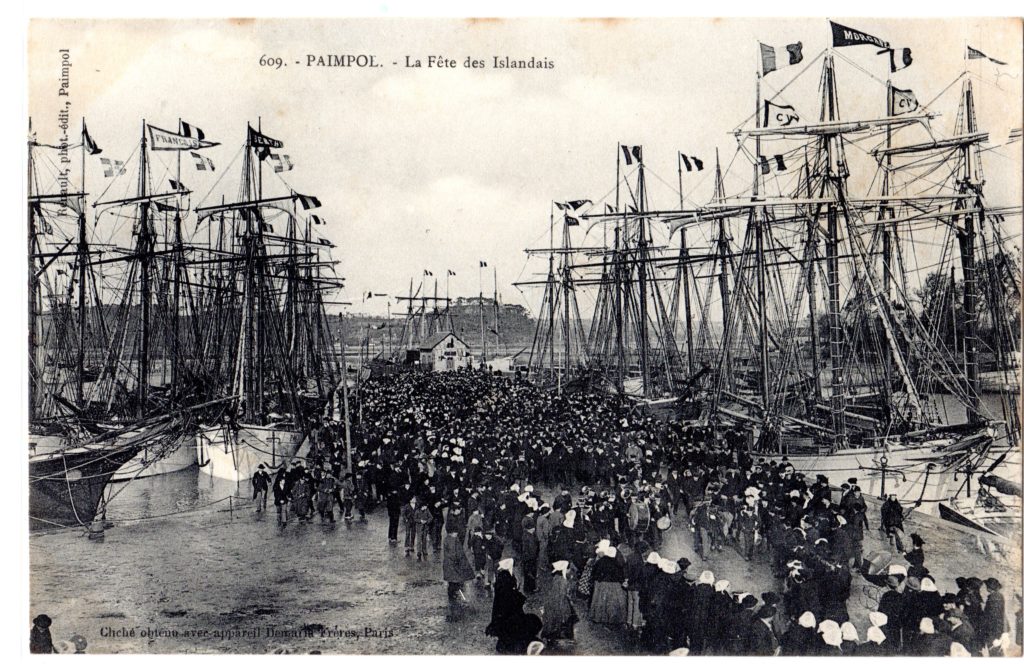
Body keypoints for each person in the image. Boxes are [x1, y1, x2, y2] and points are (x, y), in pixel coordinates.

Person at [541, 560, 578, 645]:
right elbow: (563, 594)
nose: (569, 571)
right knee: (565, 619)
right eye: (568, 569)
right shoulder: (562, 580)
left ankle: (552, 635)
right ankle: (563, 635)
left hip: (553, 601)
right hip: (561, 602)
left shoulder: (556, 577)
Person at [442, 530, 475, 622]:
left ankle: (454, 600)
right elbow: (455, 555)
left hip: (449, 567)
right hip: (454, 567)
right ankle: (456, 602)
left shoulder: (448, 539)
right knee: (455, 584)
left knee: (452, 584)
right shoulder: (453, 540)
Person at [589, 544, 626, 625]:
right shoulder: (616, 563)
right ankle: (612, 619)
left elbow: (594, 572)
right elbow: (620, 575)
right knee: (612, 603)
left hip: (601, 584)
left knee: (600, 602)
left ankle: (598, 618)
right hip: (614, 585)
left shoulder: (600, 561)